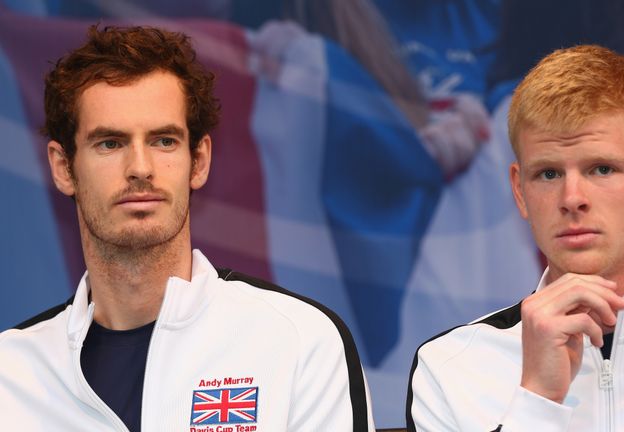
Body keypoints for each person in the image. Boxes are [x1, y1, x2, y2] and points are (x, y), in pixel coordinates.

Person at [0, 24, 374, 431]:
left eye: (164, 141)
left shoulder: (300, 340)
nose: (140, 168)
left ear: (198, 161)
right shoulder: (11, 374)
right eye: (110, 143)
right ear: (63, 167)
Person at [407, 45, 624, 431]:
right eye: (548, 174)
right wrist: (537, 401)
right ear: (519, 191)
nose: (572, 198)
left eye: (601, 168)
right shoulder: (450, 368)